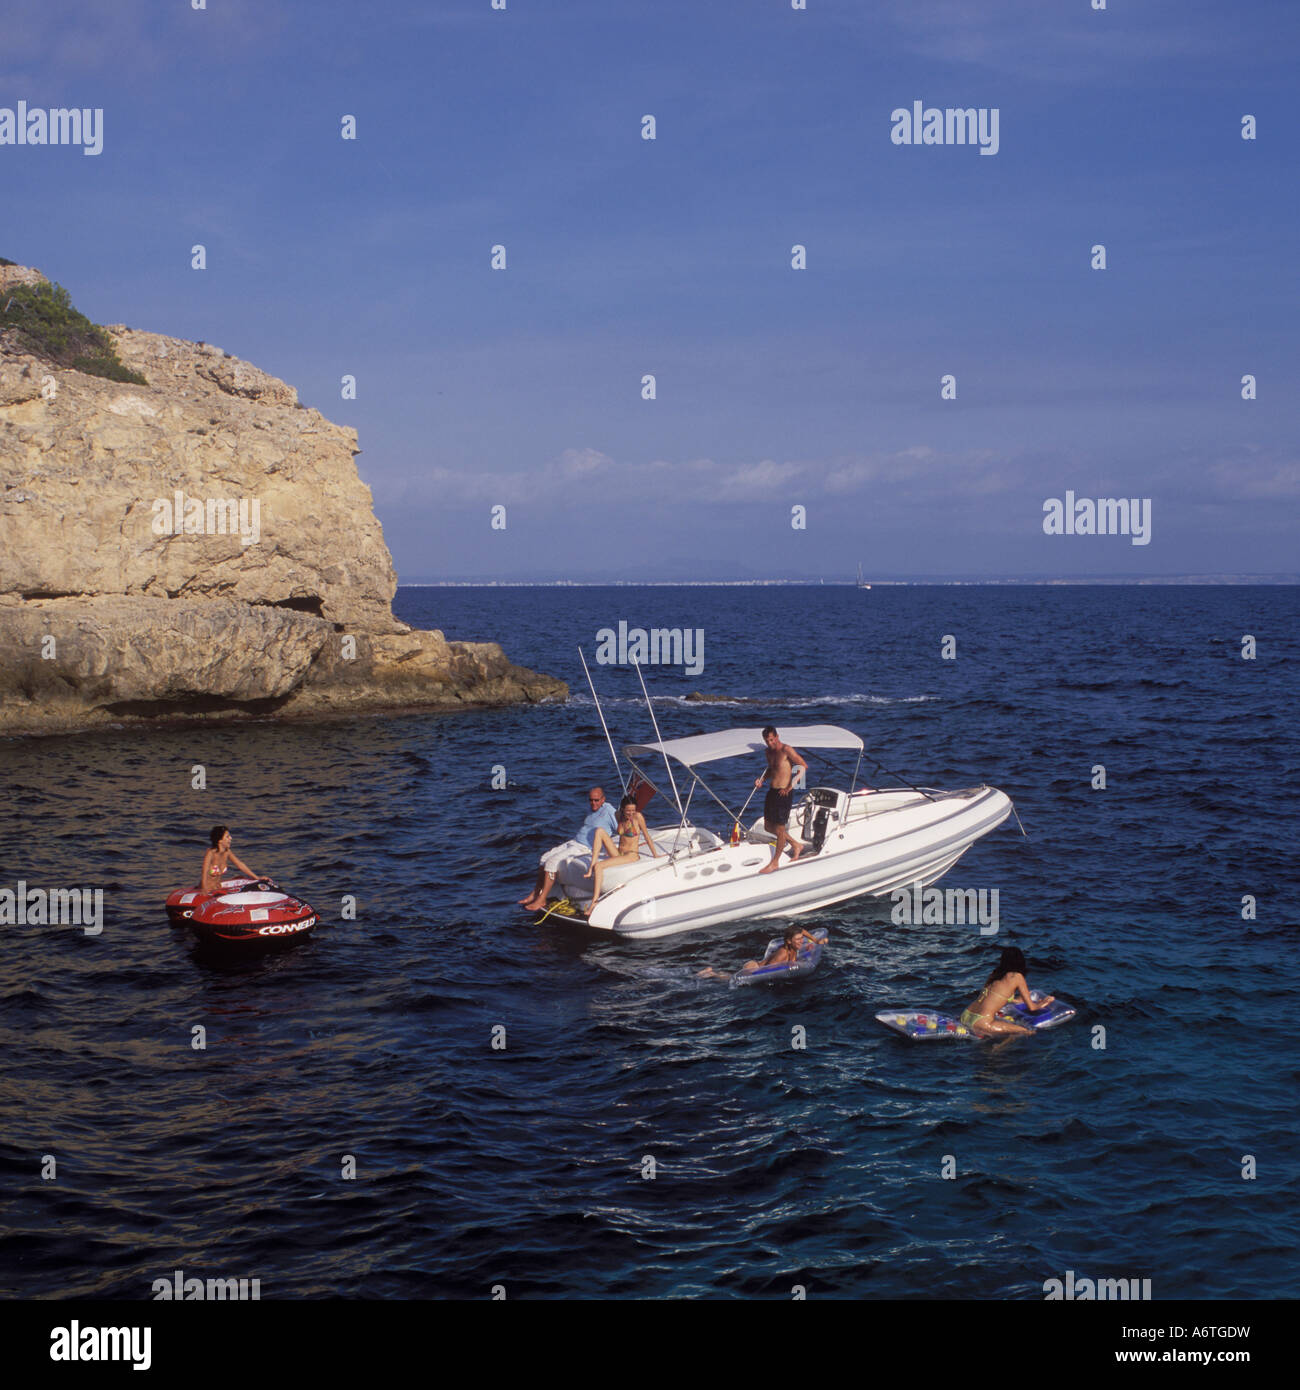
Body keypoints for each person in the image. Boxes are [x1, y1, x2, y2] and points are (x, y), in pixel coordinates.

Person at [520, 787, 618, 911]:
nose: (593, 803)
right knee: (544, 858)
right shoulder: (592, 809)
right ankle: (536, 892)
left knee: (552, 862)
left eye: (597, 800)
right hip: (575, 841)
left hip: (585, 848)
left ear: (603, 799)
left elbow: (620, 827)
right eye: (591, 800)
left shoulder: (609, 810)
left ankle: (542, 899)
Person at [959, 946, 1055, 1038]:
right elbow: (1032, 1008)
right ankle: (997, 1049)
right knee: (1027, 1031)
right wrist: (1046, 1001)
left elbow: (994, 997)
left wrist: (1018, 1000)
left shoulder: (995, 973)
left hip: (966, 1015)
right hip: (982, 1022)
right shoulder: (1017, 977)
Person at [585, 795, 658, 910]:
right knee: (599, 831)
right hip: (619, 852)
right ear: (622, 809)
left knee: (599, 866)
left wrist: (656, 855)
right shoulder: (618, 815)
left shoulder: (638, 817)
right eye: (628, 810)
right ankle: (590, 869)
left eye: (633, 810)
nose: (631, 813)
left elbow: (647, 836)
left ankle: (595, 902)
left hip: (631, 855)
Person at [754, 726, 808, 873]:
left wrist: (791, 786)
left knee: (779, 829)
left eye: (771, 740)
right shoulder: (768, 752)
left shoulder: (786, 750)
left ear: (777, 737)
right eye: (767, 741)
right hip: (772, 791)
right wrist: (762, 780)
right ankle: (796, 845)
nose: (770, 743)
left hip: (784, 793)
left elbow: (803, 766)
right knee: (768, 827)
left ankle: (775, 862)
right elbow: (772, 769)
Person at [201, 826, 259, 892]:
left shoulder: (227, 852)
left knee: (240, 877)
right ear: (220, 840)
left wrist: (257, 877)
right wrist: (204, 888)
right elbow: (204, 871)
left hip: (217, 888)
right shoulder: (211, 852)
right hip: (207, 889)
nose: (231, 838)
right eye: (227, 837)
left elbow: (240, 865)